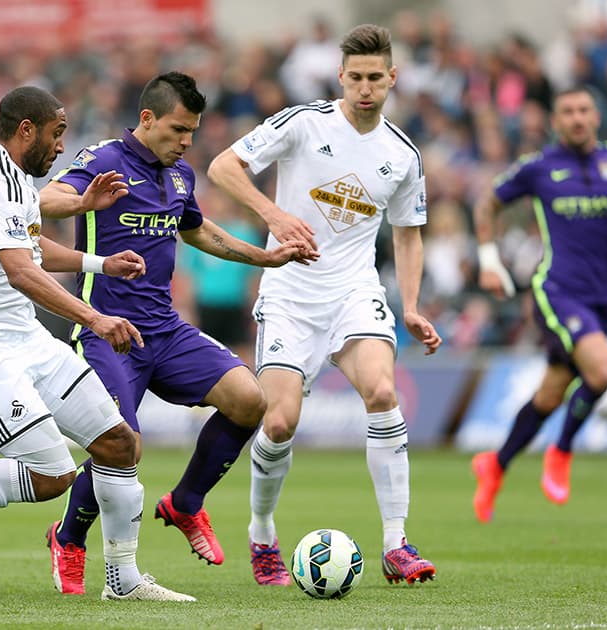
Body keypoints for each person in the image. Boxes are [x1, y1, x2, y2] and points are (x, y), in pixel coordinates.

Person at [0, 86, 195, 602]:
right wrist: (95, 318)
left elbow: (31, 245)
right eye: (57, 133)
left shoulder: (17, 177)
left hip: (25, 337)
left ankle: (124, 580)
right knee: (53, 477)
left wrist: (100, 263)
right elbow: (20, 270)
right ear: (27, 129)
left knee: (118, 443)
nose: (62, 147)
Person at [38, 71, 318, 595]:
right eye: (177, 130)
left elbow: (198, 230)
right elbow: (44, 201)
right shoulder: (104, 161)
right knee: (121, 447)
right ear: (147, 120)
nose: (186, 141)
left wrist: (265, 257)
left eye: (192, 131)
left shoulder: (181, 174)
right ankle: (69, 538)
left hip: (164, 330)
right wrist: (83, 202)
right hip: (108, 331)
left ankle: (186, 503)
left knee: (248, 401)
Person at [208, 24, 442, 587]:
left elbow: (409, 234)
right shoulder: (304, 123)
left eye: (375, 78)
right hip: (289, 295)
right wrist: (274, 216)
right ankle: (262, 531)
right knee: (281, 421)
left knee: (383, 393)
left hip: (354, 293)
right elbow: (222, 168)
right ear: (341, 76)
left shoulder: (403, 155)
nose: (365, 88)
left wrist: (410, 304)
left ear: (393, 78)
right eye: (355, 77)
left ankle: (397, 543)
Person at [470, 86, 607, 523]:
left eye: (584, 110)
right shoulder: (539, 168)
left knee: (553, 390)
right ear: (555, 121)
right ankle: (561, 451)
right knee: (604, 369)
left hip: (603, 297)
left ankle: (495, 465)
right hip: (557, 289)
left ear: (596, 116)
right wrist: (489, 260)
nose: (577, 118)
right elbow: (487, 203)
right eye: (568, 112)